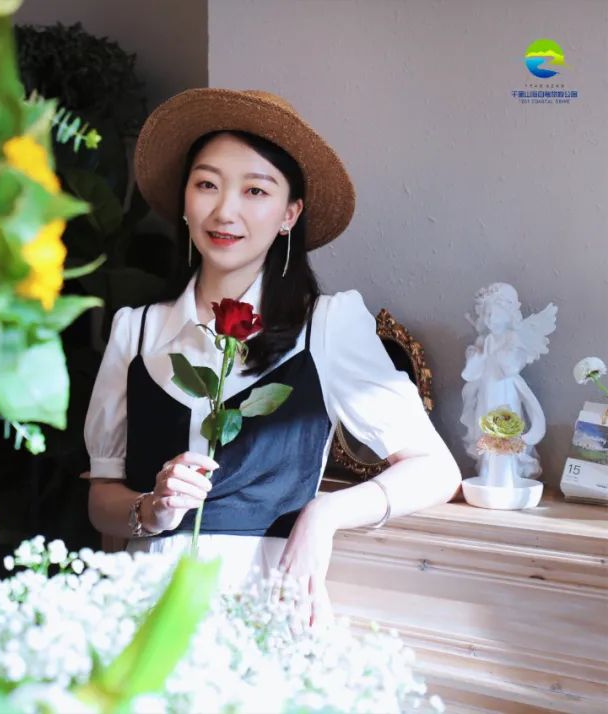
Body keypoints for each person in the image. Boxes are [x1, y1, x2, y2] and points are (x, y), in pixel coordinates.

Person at [82, 88, 461, 628]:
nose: (225, 210)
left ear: (289, 213)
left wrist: (324, 515)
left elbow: (435, 470)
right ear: (185, 200)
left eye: (255, 190)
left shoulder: (327, 325)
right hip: (142, 607)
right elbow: (102, 498)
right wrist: (152, 509)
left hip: (263, 607)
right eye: (207, 184)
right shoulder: (135, 330)